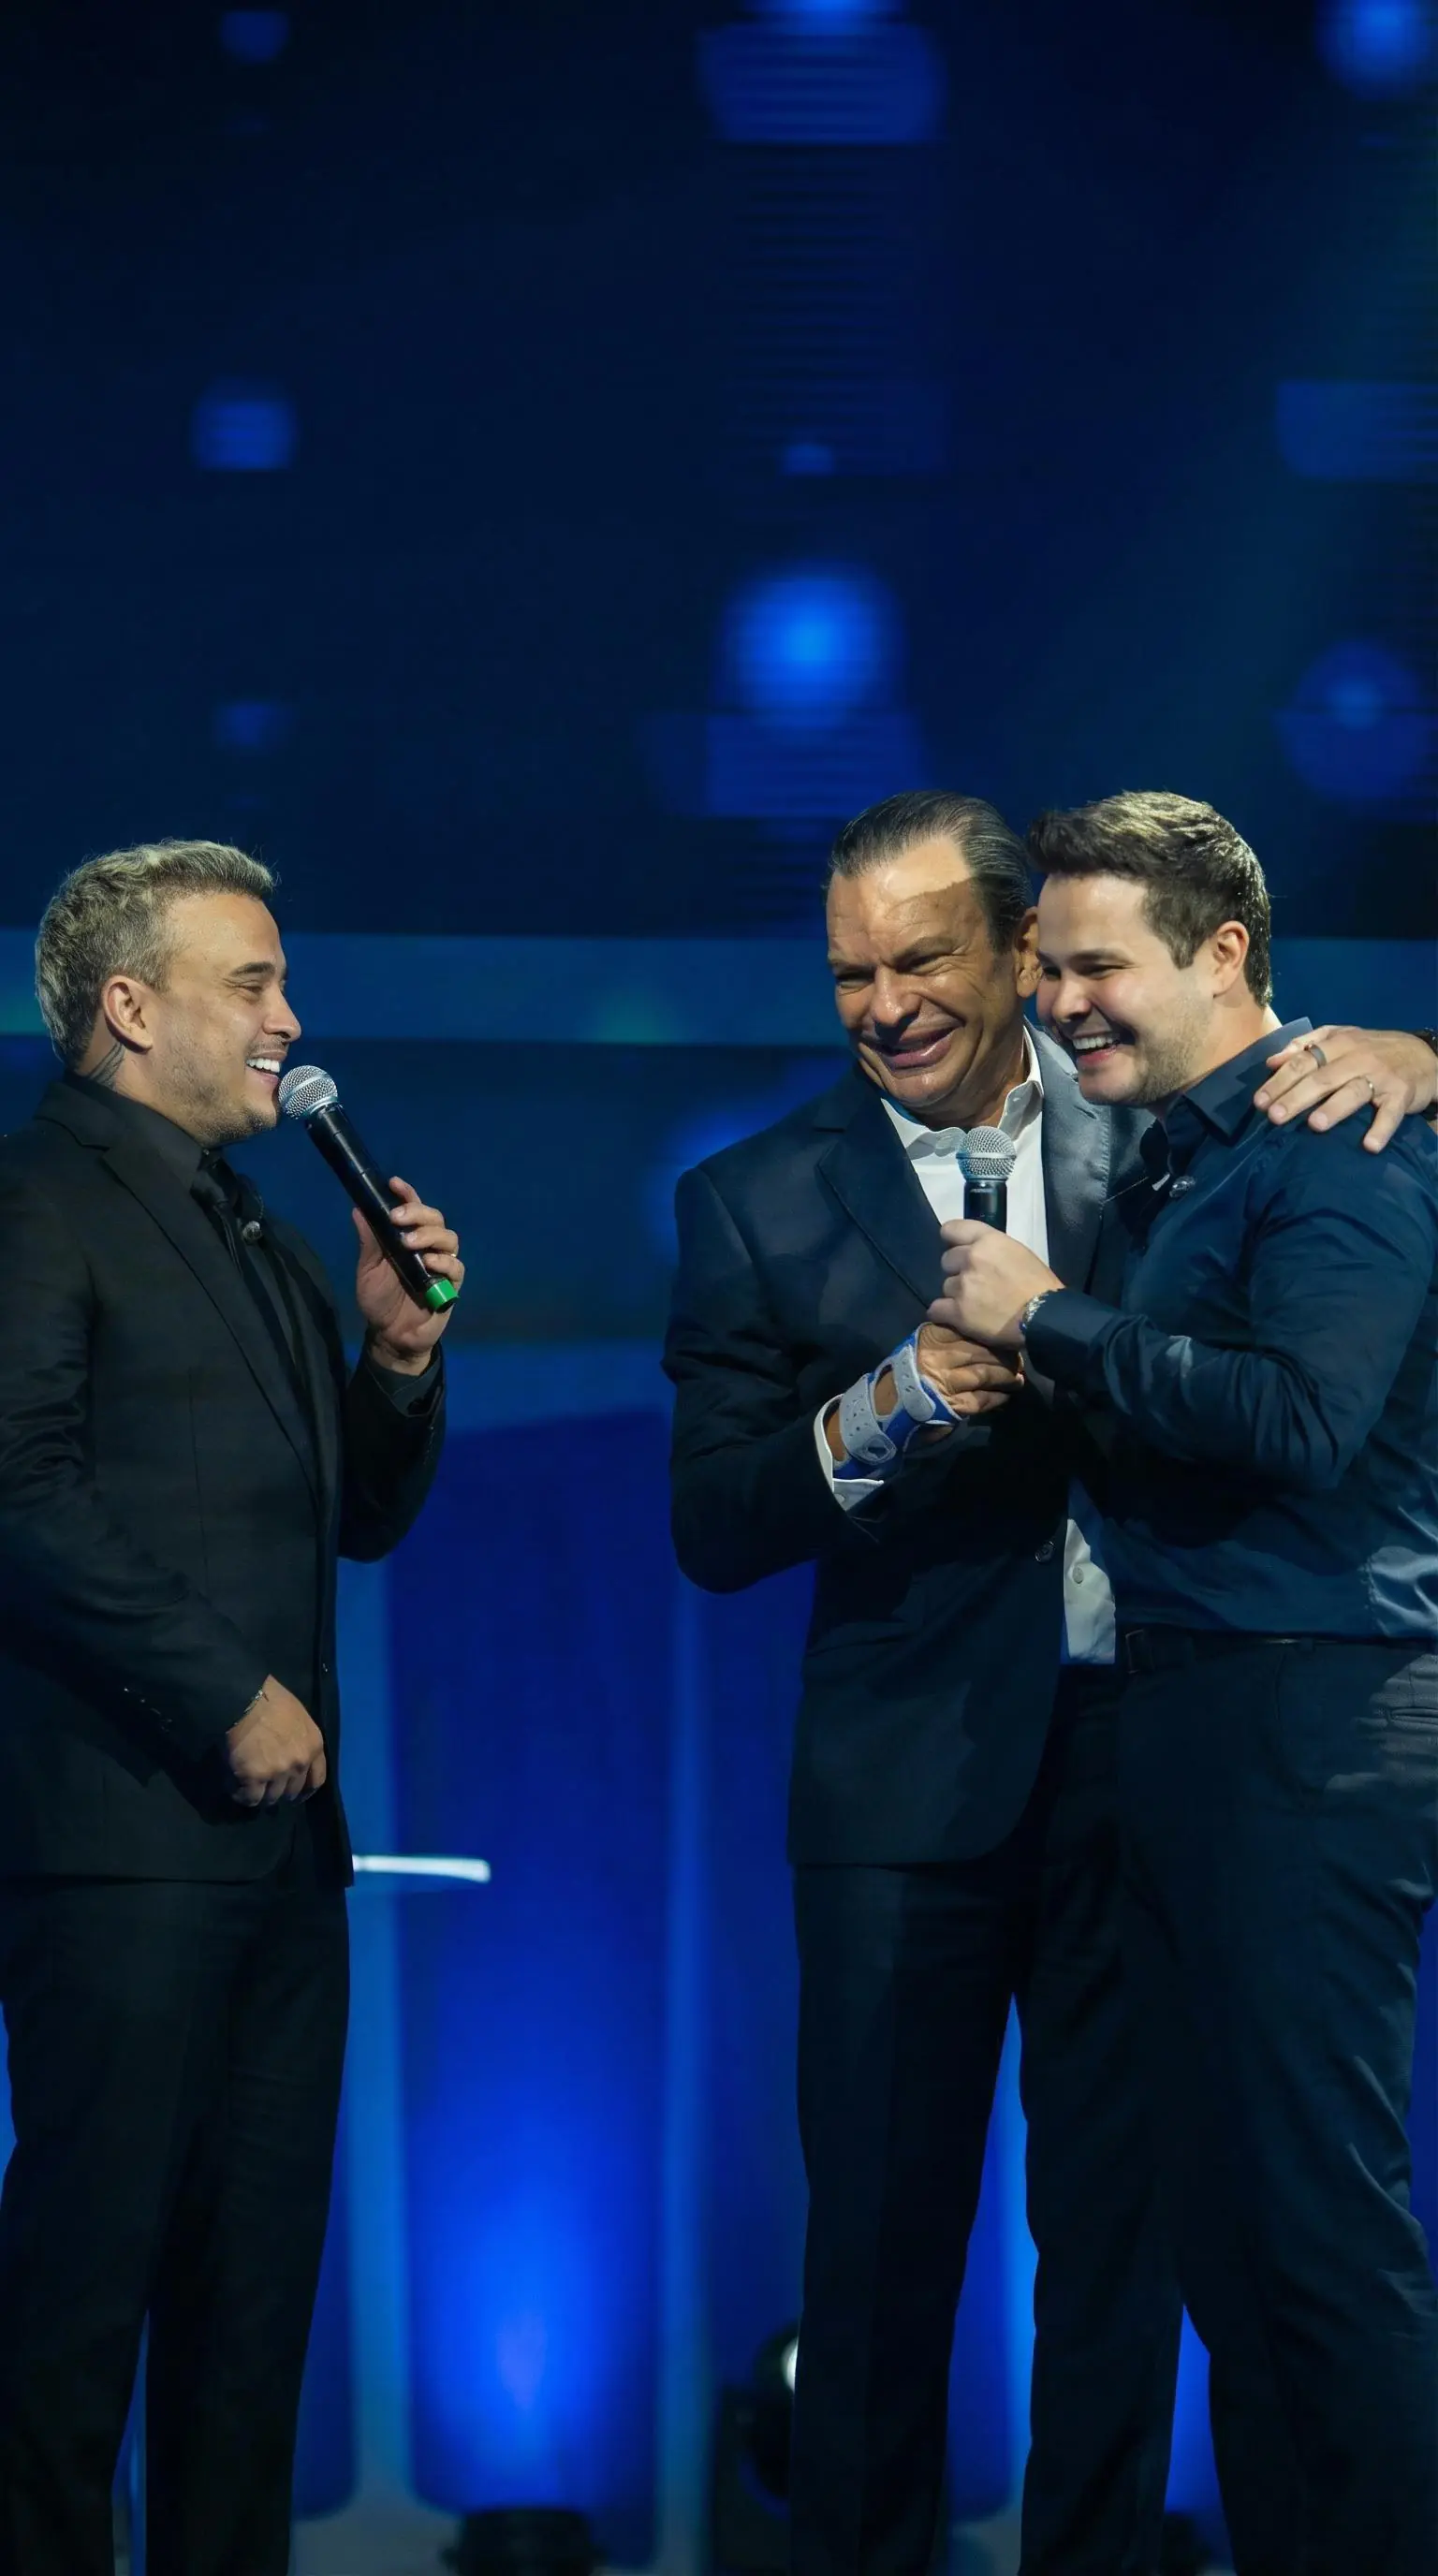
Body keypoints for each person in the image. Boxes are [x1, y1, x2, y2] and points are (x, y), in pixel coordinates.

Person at [662, 785, 1436, 2574]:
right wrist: (893, 1406)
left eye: (922, 960)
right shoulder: (751, 1197)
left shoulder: (1153, 1121)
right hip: (907, 1792)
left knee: (1131, 2258)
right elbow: (713, 1521)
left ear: (1020, 950)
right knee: (876, 2258)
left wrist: (1416, 1055)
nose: (884, 1006)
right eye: (848, 974)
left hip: (1163, 1761)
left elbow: (1314, 1167)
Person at [933, 792, 1437, 2576]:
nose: (1059, 1000)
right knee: (1233, 2242)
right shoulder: (1188, 1154)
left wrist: (1046, 1321)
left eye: (1098, 967)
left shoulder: (1339, 1137)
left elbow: (1303, 1422)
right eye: (1046, 968)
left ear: (1225, 955)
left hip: (1313, 1717)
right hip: (1202, 1716)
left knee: (1317, 2230)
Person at [0, 840, 462, 2576]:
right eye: (252, 983)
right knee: (75, 2317)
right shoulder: (34, 1202)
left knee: (249, 2332)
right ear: (130, 1008)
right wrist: (220, 1695)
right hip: (120, 1850)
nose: (290, 1019)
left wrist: (396, 1360)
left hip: (280, 1869)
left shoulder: (254, 1229)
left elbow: (357, 1515)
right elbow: (18, 1490)